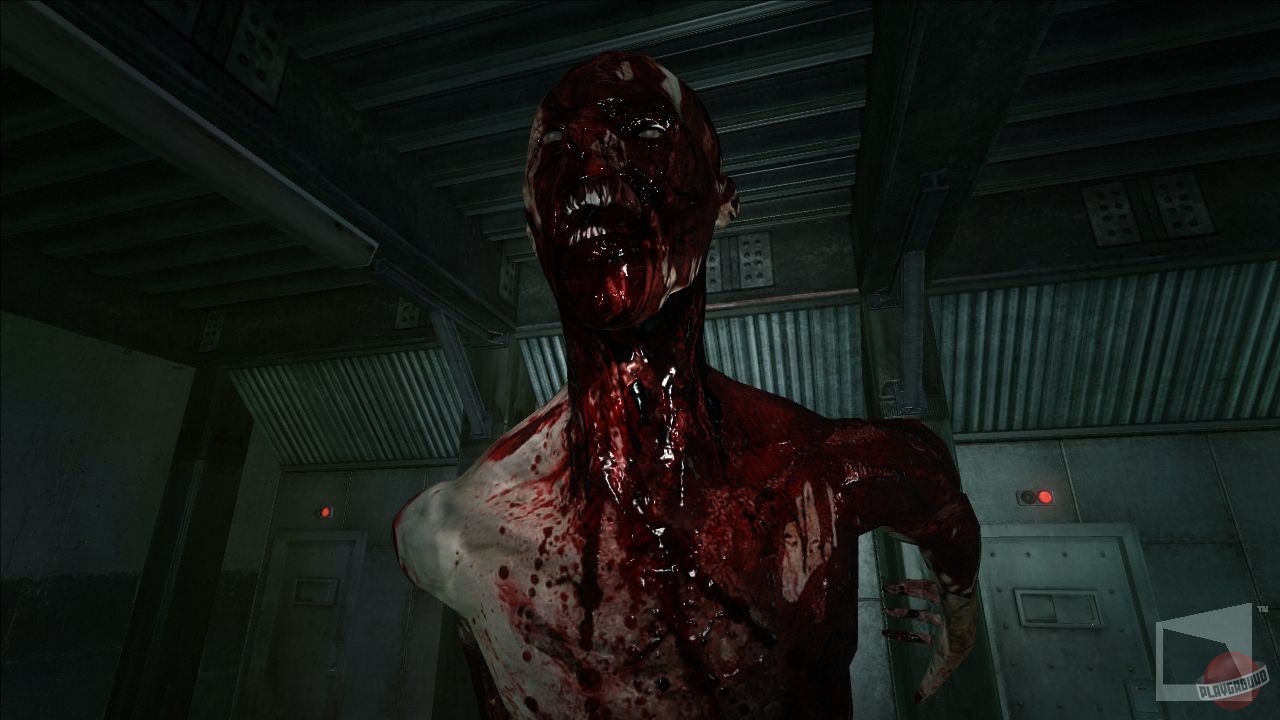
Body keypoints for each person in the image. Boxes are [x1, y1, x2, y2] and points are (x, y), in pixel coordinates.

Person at [394, 51, 980, 720]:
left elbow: (943, 508)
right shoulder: (453, 535)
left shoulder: (827, 473)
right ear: (534, 220)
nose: (592, 163)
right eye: (559, 143)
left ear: (722, 203)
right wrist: (959, 609)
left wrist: (960, 616)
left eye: (645, 130)